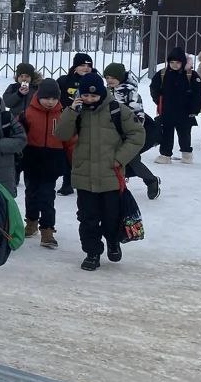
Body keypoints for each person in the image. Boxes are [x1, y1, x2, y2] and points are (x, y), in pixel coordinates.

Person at [54, 72, 145, 271]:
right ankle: (92, 252)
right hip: (84, 176)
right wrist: (71, 112)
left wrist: (119, 159)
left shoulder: (116, 110)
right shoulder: (77, 111)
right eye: (85, 96)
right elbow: (61, 134)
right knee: (88, 218)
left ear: (102, 94)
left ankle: (113, 242)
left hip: (111, 175)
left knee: (112, 216)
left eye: (94, 97)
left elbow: (137, 135)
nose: (89, 100)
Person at [21, 79, 71, 248]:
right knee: (31, 193)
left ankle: (47, 229)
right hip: (32, 158)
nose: (50, 102)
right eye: (46, 98)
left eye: (54, 98)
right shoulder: (28, 113)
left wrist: (71, 159)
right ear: (38, 97)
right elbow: (19, 136)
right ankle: (31, 222)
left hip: (52, 160)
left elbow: (69, 139)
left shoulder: (63, 114)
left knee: (47, 196)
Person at [103, 63, 160, 199]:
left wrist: (129, 133)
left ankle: (151, 181)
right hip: (110, 134)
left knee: (131, 160)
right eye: (107, 77)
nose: (110, 80)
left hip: (128, 134)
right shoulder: (107, 91)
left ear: (121, 77)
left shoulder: (130, 92)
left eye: (113, 77)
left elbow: (138, 116)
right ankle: (116, 186)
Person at [150, 46, 201, 163]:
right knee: (166, 134)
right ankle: (165, 155)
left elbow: (198, 94)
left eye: (177, 62)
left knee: (184, 134)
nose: (174, 65)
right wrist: (158, 101)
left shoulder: (191, 75)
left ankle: (187, 154)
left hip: (185, 112)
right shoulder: (163, 74)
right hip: (167, 111)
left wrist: (194, 109)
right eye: (171, 62)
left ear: (183, 62)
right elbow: (154, 88)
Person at [55, 53, 95, 195]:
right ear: (75, 67)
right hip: (68, 119)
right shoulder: (64, 81)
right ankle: (67, 182)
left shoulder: (95, 81)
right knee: (67, 152)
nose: (85, 68)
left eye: (88, 65)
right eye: (82, 65)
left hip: (88, 120)